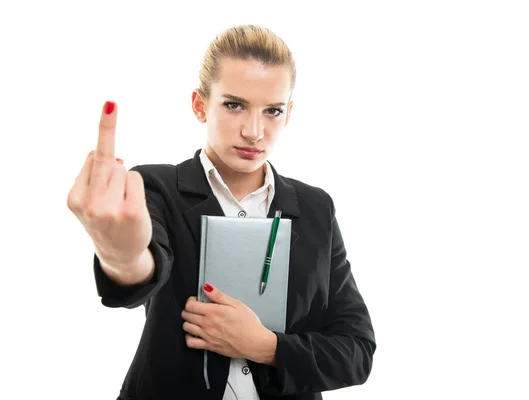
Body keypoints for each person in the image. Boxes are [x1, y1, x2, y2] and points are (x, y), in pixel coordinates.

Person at [67, 24, 376, 400]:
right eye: (234, 105)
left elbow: (356, 352)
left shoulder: (316, 208)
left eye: (273, 111)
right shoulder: (155, 187)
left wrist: (265, 346)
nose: (254, 131)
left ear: (289, 114)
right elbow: (146, 268)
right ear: (200, 105)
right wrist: (124, 258)